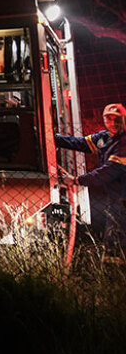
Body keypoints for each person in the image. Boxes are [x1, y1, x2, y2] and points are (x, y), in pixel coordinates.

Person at [55, 103, 126, 249]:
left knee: (115, 238)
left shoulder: (123, 142)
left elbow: (107, 172)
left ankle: (114, 268)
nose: (112, 123)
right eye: (108, 119)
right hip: (117, 197)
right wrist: (52, 138)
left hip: (122, 199)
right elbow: (80, 143)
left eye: (116, 120)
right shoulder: (105, 137)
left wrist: (76, 180)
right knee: (114, 236)